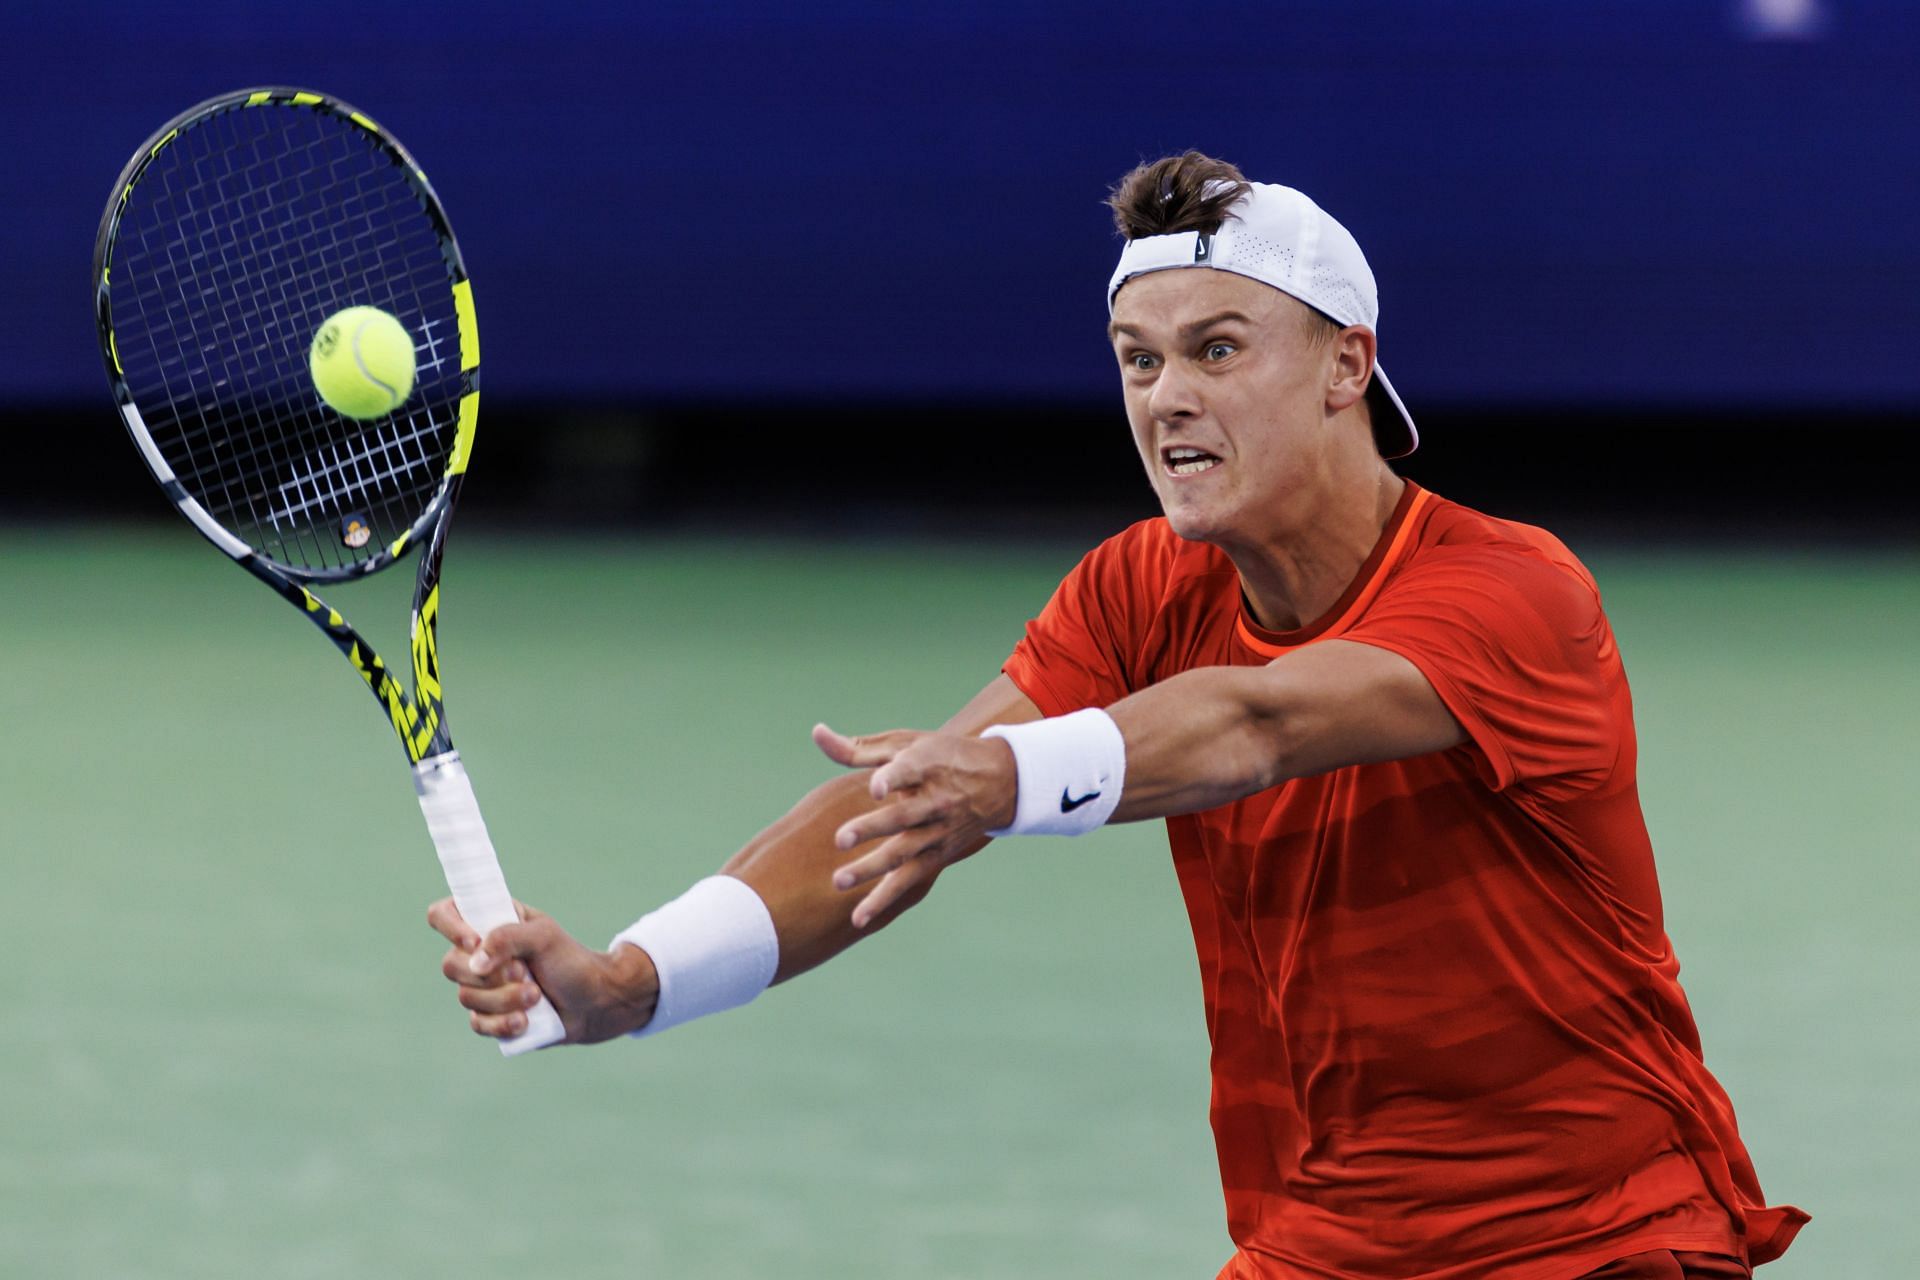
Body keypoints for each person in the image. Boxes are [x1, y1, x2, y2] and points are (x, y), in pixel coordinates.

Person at [428, 152, 1806, 1278]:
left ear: (1345, 367)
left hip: (1598, 1238)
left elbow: (1258, 724)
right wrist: (627, 986)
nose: (1169, 400)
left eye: (1217, 350)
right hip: (1324, 1237)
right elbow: (899, 810)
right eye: (1139, 362)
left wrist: (1007, 779)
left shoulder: (1516, 592)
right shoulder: (1143, 584)